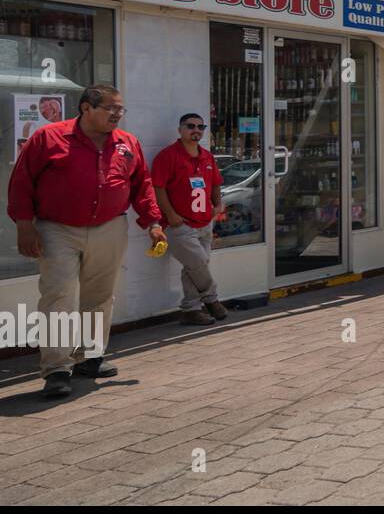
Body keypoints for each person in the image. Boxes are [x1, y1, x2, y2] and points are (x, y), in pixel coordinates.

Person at [7, 84, 166, 399]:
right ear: (86, 108)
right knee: (58, 297)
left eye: (120, 109)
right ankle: (56, 369)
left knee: (100, 296)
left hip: (110, 227)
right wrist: (25, 225)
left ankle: (89, 359)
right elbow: (21, 182)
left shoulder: (127, 143)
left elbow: (141, 185)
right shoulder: (48, 138)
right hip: (57, 228)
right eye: (110, 108)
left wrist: (154, 223)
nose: (117, 114)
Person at [152, 113, 226, 326]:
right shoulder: (168, 156)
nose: (196, 130)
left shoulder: (207, 156)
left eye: (200, 127)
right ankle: (212, 300)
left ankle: (191, 310)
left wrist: (217, 204)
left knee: (193, 266)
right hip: (180, 224)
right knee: (198, 263)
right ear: (180, 129)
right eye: (190, 126)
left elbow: (216, 183)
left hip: (205, 222)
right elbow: (158, 187)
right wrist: (171, 215)